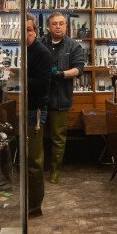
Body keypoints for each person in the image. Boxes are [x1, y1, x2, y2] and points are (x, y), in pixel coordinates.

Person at [41, 12, 86, 184]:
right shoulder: (40, 43)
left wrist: (61, 74)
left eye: (61, 23)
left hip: (61, 98)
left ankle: (55, 172)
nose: (58, 27)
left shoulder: (73, 46)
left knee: (58, 138)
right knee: (39, 136)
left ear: (66, 26)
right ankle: (40, 170)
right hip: (41, 97)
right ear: (49, 26)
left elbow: (79, 69)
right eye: (54, 24)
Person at [25, 14, 52, 217]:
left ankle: (34, 206)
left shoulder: (41, 53)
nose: (25, 34)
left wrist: (20, 78)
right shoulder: (22, 51)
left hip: (34, 112)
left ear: (35, 31)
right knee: (26, 160)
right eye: (21, 30)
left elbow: (43, 84)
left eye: (28, 30)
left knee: (34, 161)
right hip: (23, 109)